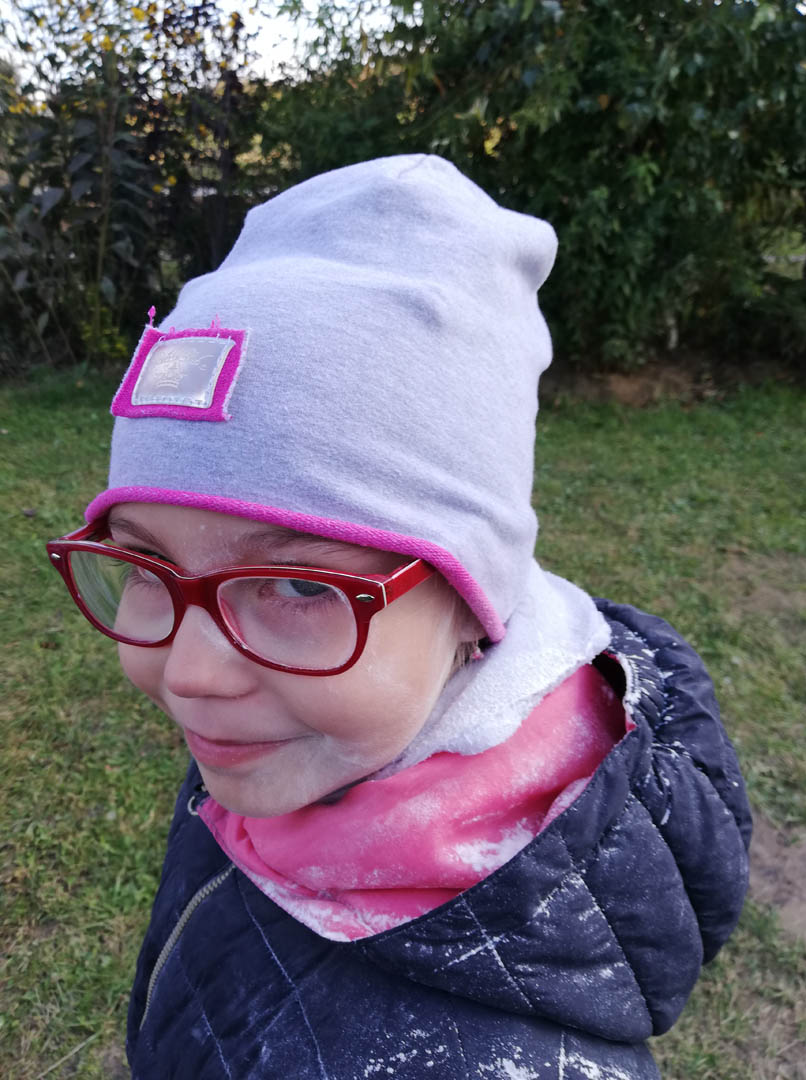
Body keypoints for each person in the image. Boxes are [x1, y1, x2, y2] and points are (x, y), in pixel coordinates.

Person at [46, 154, 751, 1079]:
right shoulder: (297, 734)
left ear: (473, 604)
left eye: (301, 587)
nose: (189, 672)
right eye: (146, 563)